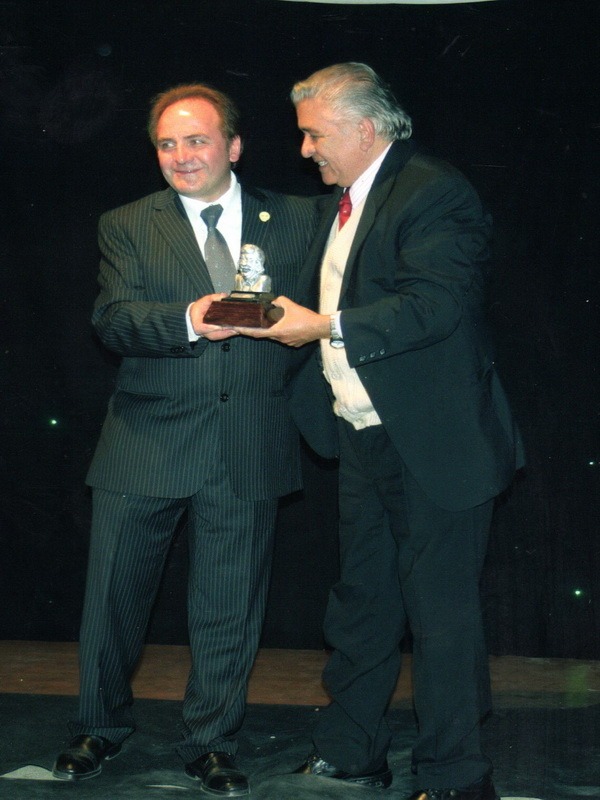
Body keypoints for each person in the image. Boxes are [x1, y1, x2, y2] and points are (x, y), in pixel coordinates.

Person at [234, 63, 524, 800]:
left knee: (441, 617)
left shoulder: (434, 191)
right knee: (362, 606)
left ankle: (456, 777)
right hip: (363, 437)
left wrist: (323, 325)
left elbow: (437, 307)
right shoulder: (348, 201)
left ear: (366, 130)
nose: (304, 150)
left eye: (314, 134)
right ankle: (351, 752)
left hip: (436, 446)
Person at [51, 83, 317, 797]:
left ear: (232, 146)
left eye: (196, 140)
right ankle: (97, 728)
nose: (180, 156)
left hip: (249, 441)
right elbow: (113, 321)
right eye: (167, 144)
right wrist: (191, 318)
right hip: (145, 440)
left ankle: (212, 744)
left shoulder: (296, 220)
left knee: (230, 609)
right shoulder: (128, 223)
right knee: (112, 603)